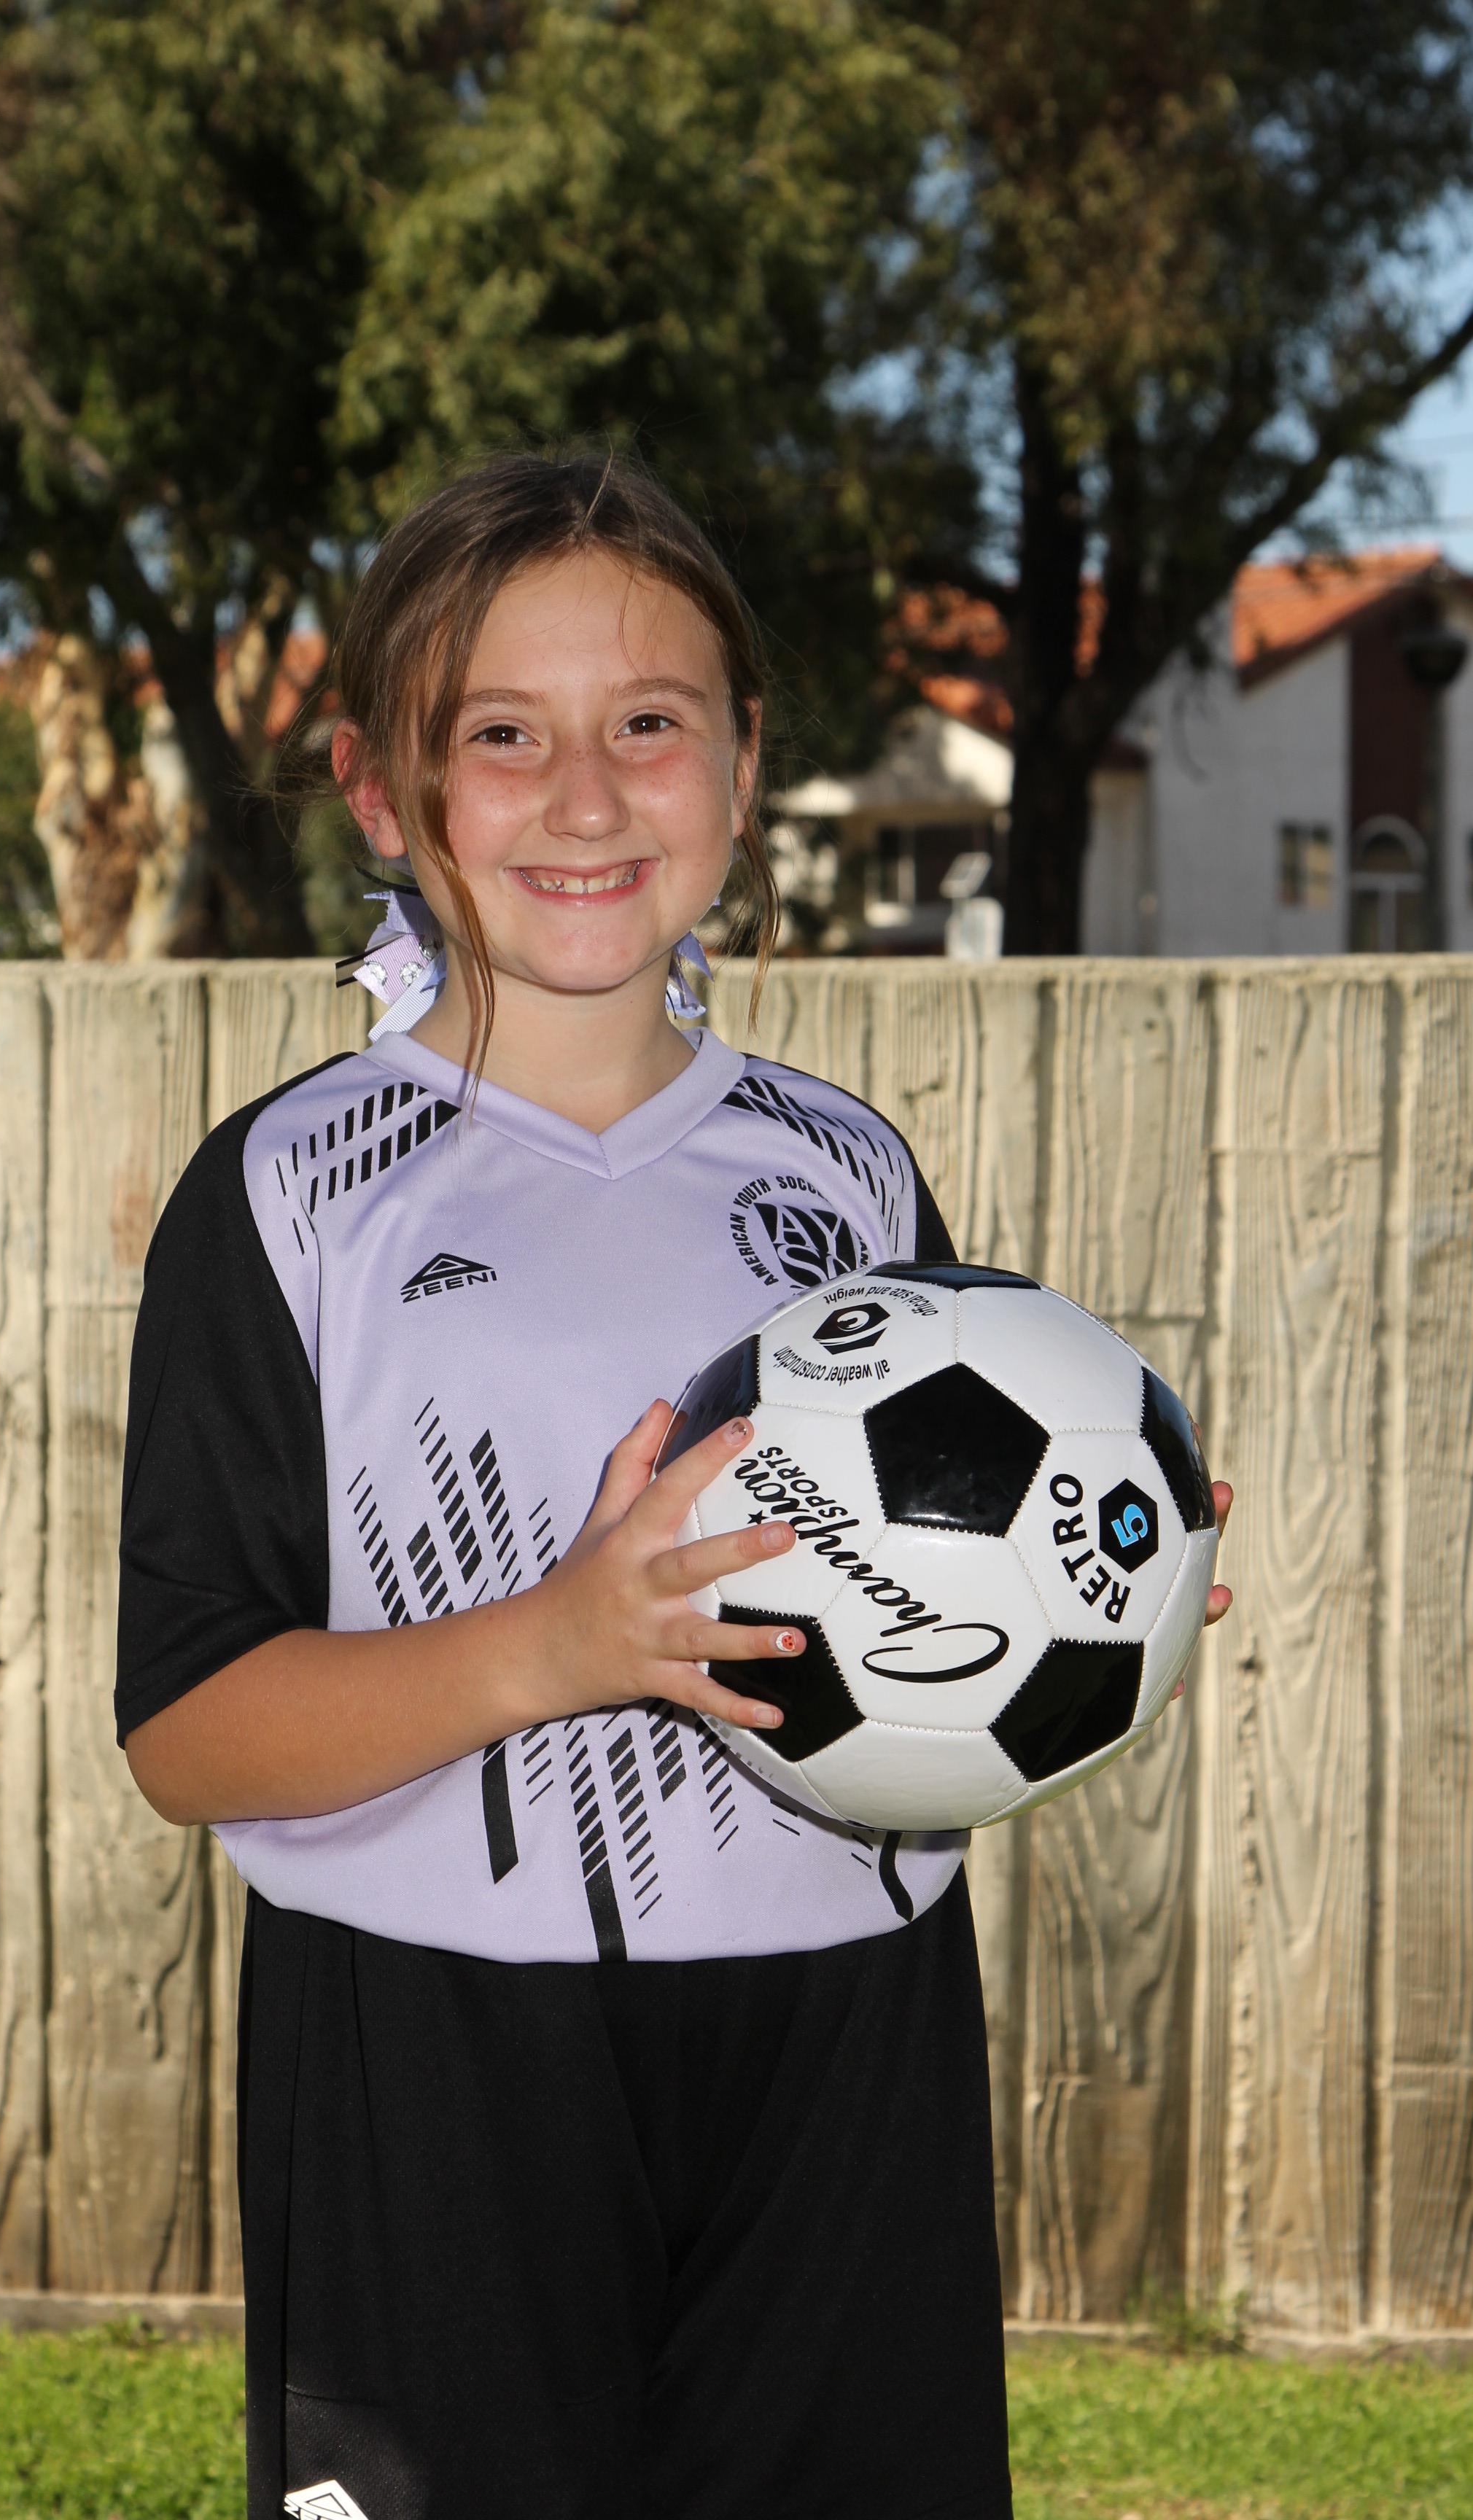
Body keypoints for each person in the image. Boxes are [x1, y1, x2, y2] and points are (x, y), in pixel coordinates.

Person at [117, 450, 1232, 2520]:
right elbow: (188, 1732)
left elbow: (955, 1582)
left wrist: (1102, 1588)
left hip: (847, 2033)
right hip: (433, 2057)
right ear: (380, 791)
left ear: (742, 765)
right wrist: (554, 1644)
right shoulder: (287, 1198)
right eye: (501, 735)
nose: (586, 796)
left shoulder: (848, 1170)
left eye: (648, 722)